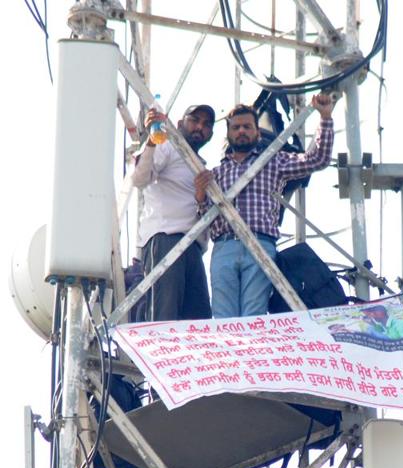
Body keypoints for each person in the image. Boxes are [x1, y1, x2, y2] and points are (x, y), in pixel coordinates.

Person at [195, 94, 335, 319]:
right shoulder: (216, 174)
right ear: (229, 134)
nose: (241, 131)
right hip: (224, 246)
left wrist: (325, 117)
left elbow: (317, 159)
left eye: (247, 127)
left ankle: (249, 354)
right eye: (236, 127)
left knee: (254, 314)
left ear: (257, 133)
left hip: (261, 242)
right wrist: (201, 194)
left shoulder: (274, 162)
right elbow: (205, 217)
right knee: (223, 316)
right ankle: (231, 355)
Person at [132, 104, 215, 321]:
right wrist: (151, 140)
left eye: (206, 124)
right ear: (180, 124)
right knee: (164, 315)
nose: (199, 127)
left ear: (211, 134)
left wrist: (200, 195)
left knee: (198, 320)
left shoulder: (202, 166)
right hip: (166, 238)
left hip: (193, 246)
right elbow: (140, 179)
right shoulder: (167, 147)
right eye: (194, 120)